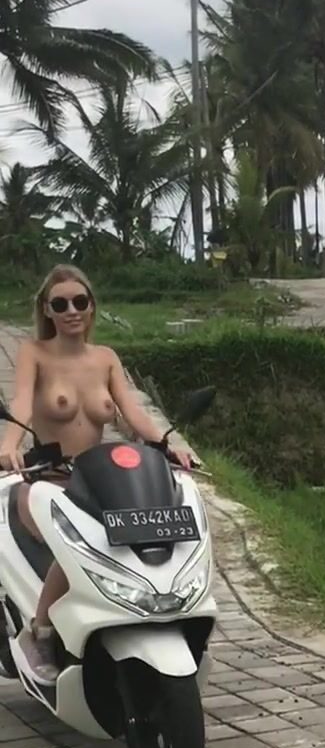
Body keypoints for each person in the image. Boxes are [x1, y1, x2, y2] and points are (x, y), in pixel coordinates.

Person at [0, 264, 191, 683]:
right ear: (47, 310)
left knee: (151, 529)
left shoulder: (106, 358)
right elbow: (21, 404)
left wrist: (166, 446)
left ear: (91, 307)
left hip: (98, 478)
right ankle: (40, 632)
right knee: (80, 544)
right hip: (49, 478)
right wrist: (9, 444)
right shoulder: (35, 352)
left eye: (79, 301)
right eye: (60, 304)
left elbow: (133, 413)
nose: (71, 310)